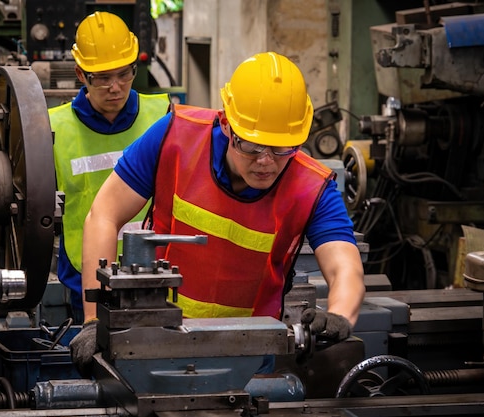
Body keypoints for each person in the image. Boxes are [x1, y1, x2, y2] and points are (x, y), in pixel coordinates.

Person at [70, 51, 365, 375]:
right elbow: (103, 215)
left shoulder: (310, 186)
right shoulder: (175, 137)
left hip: (250, 360)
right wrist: (94, 320)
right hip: (148, 343)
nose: (265, 161)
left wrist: (339, 314)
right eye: (251, 146)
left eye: (281, 148)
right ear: (226, 123)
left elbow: (344, 267)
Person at [50, 11, 170, 324]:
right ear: (80, 74)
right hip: (86, 280)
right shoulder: (53, 129)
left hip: (156, 276)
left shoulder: (163, 116)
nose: (115, 87)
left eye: (124, 74)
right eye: (102, 78)